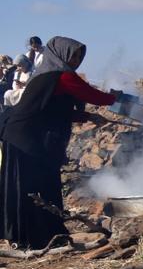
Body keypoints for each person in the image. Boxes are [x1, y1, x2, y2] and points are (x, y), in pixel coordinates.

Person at [0, 37, 117, 251]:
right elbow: (92, 94)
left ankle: (42, 235)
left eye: (80, 56)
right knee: (34, 186)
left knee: (40, 185)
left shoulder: (48, 76)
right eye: (73, 55)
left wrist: (86, 117)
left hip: (26, 137)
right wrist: (114, 99)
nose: (77, 60)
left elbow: (53, 110)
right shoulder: (61, 76)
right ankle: (34, 237)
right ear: (60, 54)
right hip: (26, 139)